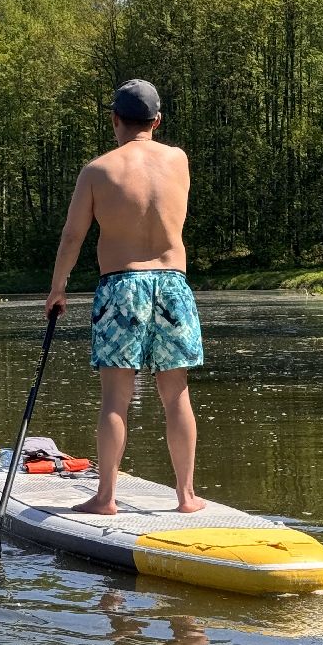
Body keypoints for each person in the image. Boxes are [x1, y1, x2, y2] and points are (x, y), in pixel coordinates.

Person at [44, 79, 206, 515]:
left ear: (115, 120)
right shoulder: (179, 160)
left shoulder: (98, 171)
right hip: (173, 284)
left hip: (122, 287)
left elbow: (73, 235)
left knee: (116, 397)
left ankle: (106, 497)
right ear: (157, 121)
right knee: (177, 396)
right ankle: (186, 496)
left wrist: (58, 288)